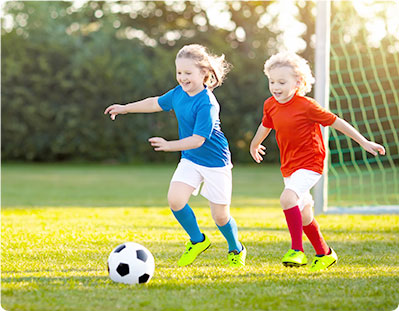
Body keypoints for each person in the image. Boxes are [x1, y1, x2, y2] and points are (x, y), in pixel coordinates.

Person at [104, 44, 246, 267]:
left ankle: (236, 248)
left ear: (204, 73)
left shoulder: (207, 103)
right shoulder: (178, 94)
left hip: (215, 163)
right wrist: (125, 108)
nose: (182, 77)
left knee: (220, 216)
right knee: (176, 200)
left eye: (188, 73)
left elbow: (199, 139)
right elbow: (154, 102)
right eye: (179, 72)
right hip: (191, 159)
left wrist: (170, 145)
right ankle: (198, 240)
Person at [249, 51, 385, 271]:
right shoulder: (270, 104)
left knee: (287, 198)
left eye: (282, 82)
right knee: (303, 214)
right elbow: (265, 125)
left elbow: (336, 122)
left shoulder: (307, 106)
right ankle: (325, 253)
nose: (276, 86)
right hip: (289, 166)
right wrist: (254, 144)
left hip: (311, 163)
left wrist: (363, 142)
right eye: (272, 81)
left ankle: (297, 251)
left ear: (298, 82)